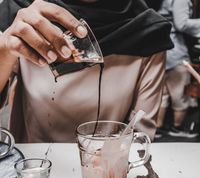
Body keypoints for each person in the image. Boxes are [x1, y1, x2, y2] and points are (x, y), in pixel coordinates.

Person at [0, 0, 173, 143]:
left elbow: (140, 137)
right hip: (35, 170)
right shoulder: (22, 15)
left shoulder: (149, 32)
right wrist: (5, 50)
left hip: (109, 171)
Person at [156, 0, 200, 138]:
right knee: (180, 92)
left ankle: (158, 128)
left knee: (162, 93)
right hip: (175, 51)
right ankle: (177, 128)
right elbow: (182, 23)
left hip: (161, 49)